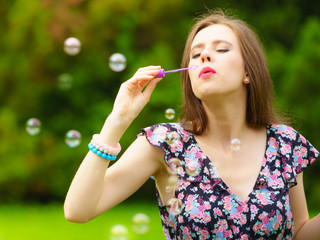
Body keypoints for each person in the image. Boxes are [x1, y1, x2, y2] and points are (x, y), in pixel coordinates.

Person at [64, 9, 320, 239]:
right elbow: (78, 210)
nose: (205, 55)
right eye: (196, 54)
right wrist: (118, 119)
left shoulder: (284, 143)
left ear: (248, 72)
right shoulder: (166, 144)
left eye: (221, 49)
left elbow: (298, 233)